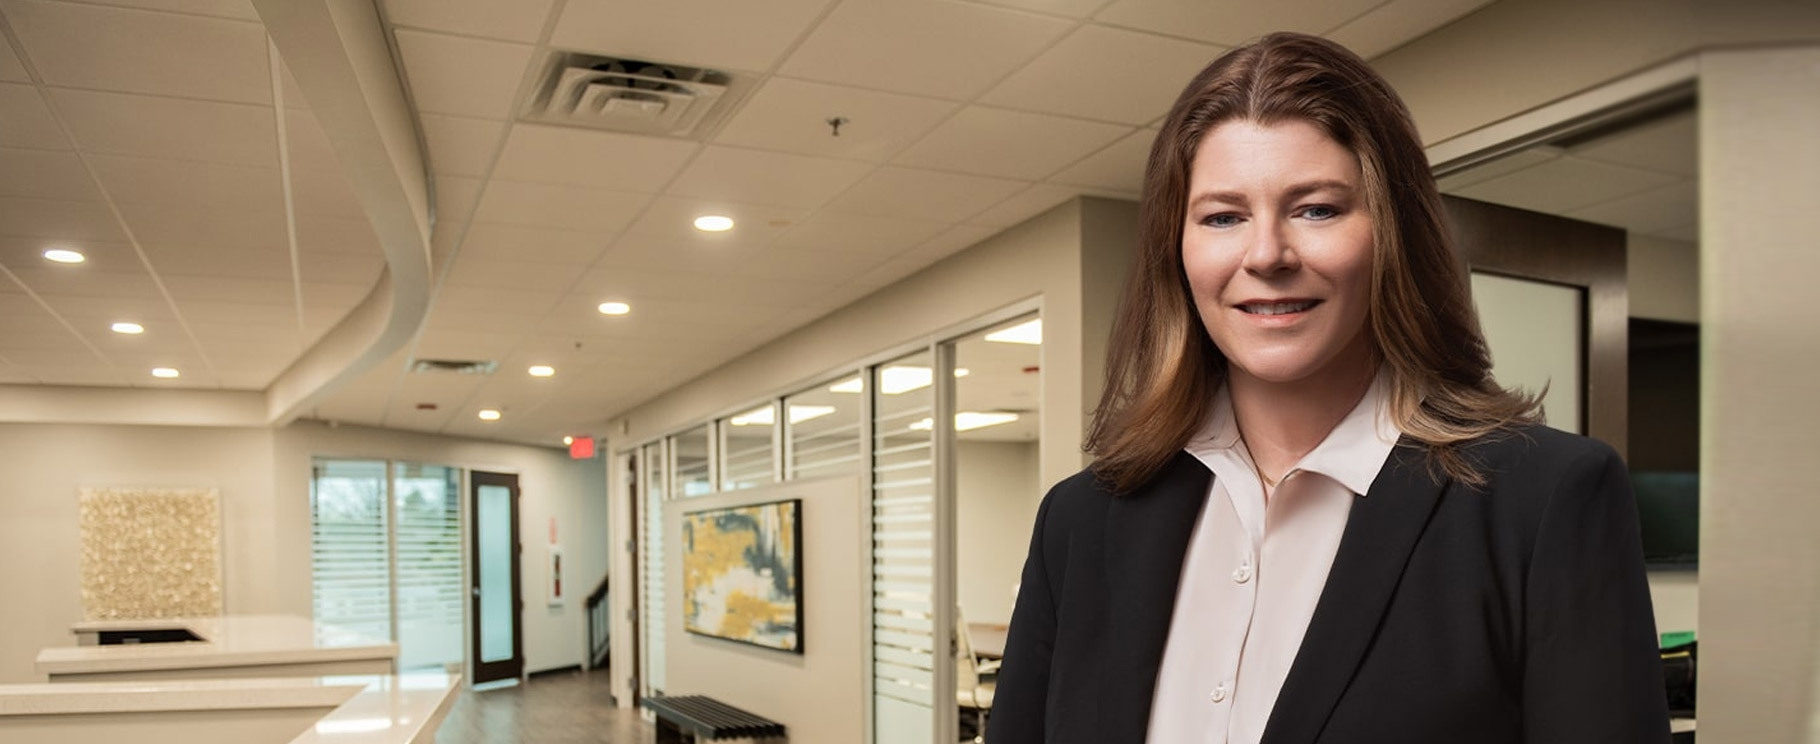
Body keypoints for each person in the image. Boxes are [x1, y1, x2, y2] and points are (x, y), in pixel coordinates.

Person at [986, 32, 1668, 744]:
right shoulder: (1080, 523)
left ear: (1392, 234)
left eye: (1316, 209)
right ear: (1176, 250)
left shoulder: (1546, 502)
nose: (1266, 254)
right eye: (1223, 216)